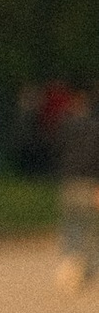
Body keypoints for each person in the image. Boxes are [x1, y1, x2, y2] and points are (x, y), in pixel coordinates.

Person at [54, 82, 99, 294]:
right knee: (92, 230)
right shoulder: (94, 127)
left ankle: (69, 267)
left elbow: (56, 150)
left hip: (69, 181)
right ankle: (87, 271)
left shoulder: (65, 126)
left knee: (71, 226)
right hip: (89, 182)